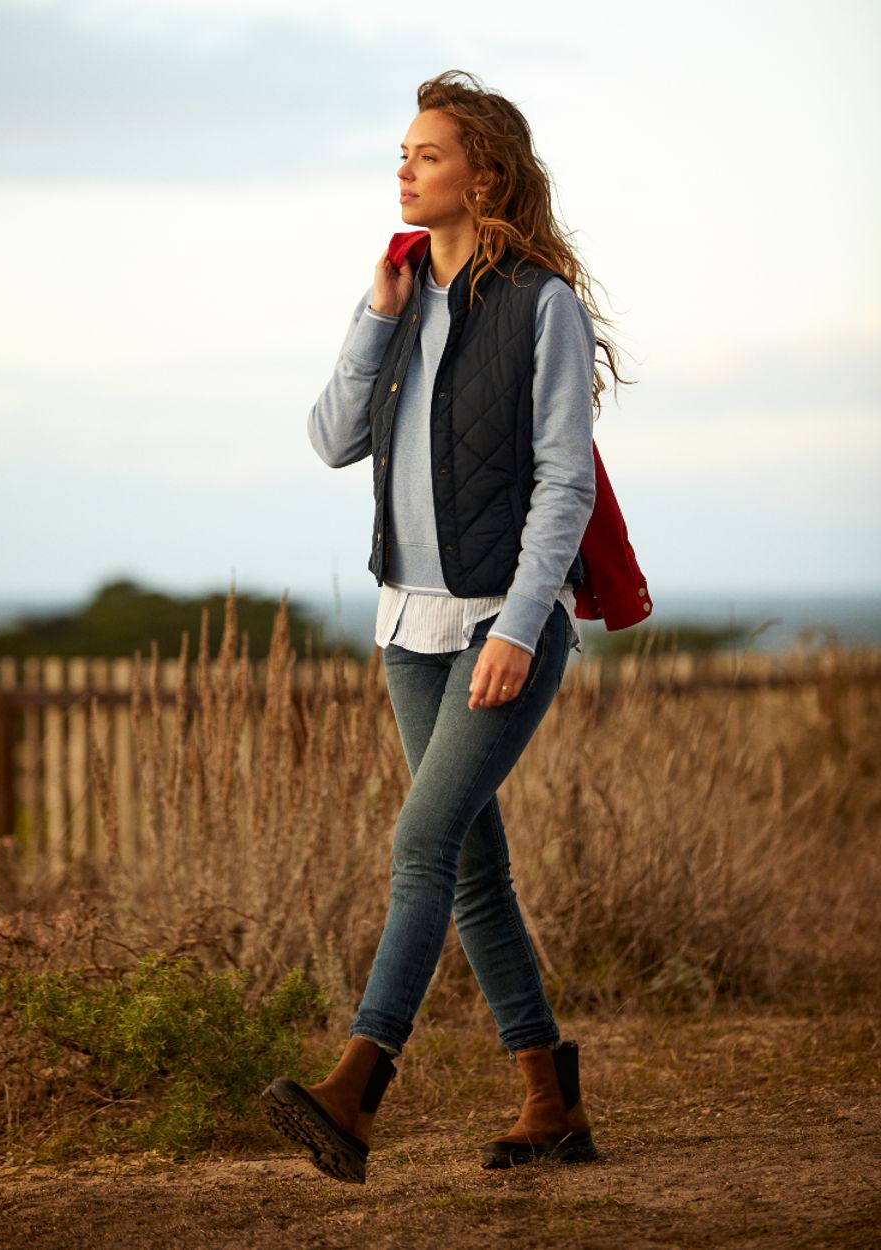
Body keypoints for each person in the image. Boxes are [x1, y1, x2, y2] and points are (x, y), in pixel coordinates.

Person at [261, 69, 643, 1184]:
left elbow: (563, 483)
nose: (404, 168)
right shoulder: (399, 296)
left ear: (484, 172)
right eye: (402, 152)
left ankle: (357, 1083)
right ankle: (549, 1099)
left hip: (500, 624)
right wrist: (372, 317)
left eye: (425, 153)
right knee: (471, 868)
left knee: (422, 844)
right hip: (406, 625)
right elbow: (333, 438)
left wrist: (523, 627)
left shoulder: (540, 302)